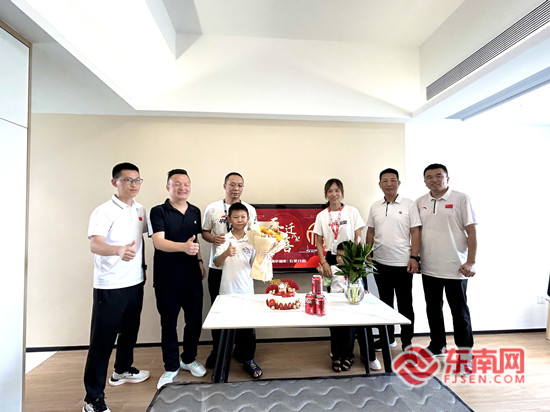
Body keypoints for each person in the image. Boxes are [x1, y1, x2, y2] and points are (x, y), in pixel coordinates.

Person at [83, 162, 149, 412]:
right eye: (128, 180)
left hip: (135, 281)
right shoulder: (103, 211)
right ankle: (92, 399)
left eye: (137, 180)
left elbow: (144, 238)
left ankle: (122, 369)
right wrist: (118, 250)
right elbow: (95, 244)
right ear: (115, 182)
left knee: (130, 332)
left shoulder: (140, 209)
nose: (134, 185)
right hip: (110, 285)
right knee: (102, 342)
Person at [313, 178, 380, 371]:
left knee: (359, 307)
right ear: (325, 194)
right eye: (330, 191)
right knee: (335, 307)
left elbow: (358, 237)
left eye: (337, 190)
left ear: (342, 193)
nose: (334, 194)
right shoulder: (322, 216)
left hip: (352, 258)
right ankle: (339, 351)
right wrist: (324, 262)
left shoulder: (352, 211)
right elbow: (318, 242)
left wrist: (357, 261)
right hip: (332, 259)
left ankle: (368, 354)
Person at [416, 163, 477, 373]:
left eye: (438, 176)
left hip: (455, 268)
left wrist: (470, 262)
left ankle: (465, 355)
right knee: (433, 309)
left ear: (447, 178)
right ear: (424, 181)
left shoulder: (461, 199)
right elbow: (416, 233)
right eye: (429, 177)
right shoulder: (420, 202)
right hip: (429, 267)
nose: (434, 180)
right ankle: (437, 345)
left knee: (460, 313)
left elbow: (472, 232)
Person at [149, 169, 207, 389]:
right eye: (177, 184)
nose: (183, 188)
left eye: (186, 184)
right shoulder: (158, 211)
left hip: (192, 276)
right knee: (169, 323)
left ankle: (188, 359)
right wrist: (183, 248)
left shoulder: (195, 211)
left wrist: (199, 261)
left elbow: (195, 241)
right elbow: (158, 242)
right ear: (168, 187)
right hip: (167, 278)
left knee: (194, 320)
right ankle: (171, 367)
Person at [201, 172, 257, 368]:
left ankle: (243, 353)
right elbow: (205, 232)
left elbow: (255, 236)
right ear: (225, 185)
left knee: (245, 312)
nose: (236, 188)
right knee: (219, 312)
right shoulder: (213, 208)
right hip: (218, 266)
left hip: (241, 268)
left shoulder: (249, 209)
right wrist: (214, 239)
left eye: (240, 185)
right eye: (232, 184)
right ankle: (219, 351)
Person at [366, 168, 421, 352]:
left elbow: (415, 232)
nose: (389, 184)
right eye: (385, 180)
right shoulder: (375, 206)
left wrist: (414, 257)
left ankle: (407, 343)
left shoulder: (409, 204)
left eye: (392, 180)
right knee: (385, 304)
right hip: (380, 263)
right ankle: (387, 339)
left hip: (403, 264)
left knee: (405, 305)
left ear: (398, 183)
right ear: (380, 184)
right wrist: (368, 253)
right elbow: (371, 231)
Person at [213, 202, 262, 379]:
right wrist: (226, 253)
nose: (240, 220)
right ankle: (222, 363)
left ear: (248, 219)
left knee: (248, 329)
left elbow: (256, 264)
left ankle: (248, 359)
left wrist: (265, 253)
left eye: (243, 217)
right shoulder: (224, 239)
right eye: (236, 217)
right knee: (225, 329)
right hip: (227, 291)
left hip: (246, 291)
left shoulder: (253, 239)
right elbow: (216, 262)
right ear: (229, 219)